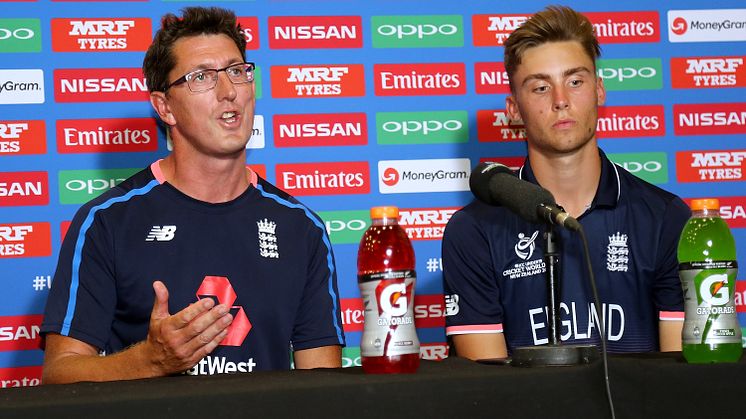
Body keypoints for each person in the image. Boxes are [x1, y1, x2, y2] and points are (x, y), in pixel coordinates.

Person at [41, 6, 345, 383]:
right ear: (164, 106)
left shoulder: (301, 227)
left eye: (237, 71)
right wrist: (150, 361)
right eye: (201, 77)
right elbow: (59, 373)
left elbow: (324, 386)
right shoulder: (107, 221)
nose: (229, 91)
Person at [442, 5, 690, 359]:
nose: (561, 101)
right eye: (541, 87)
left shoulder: (665, 218)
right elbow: (486, 388)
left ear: (599, 91)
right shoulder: (474, 230)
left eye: (575, 81)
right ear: (513, 109)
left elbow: (681, 379)